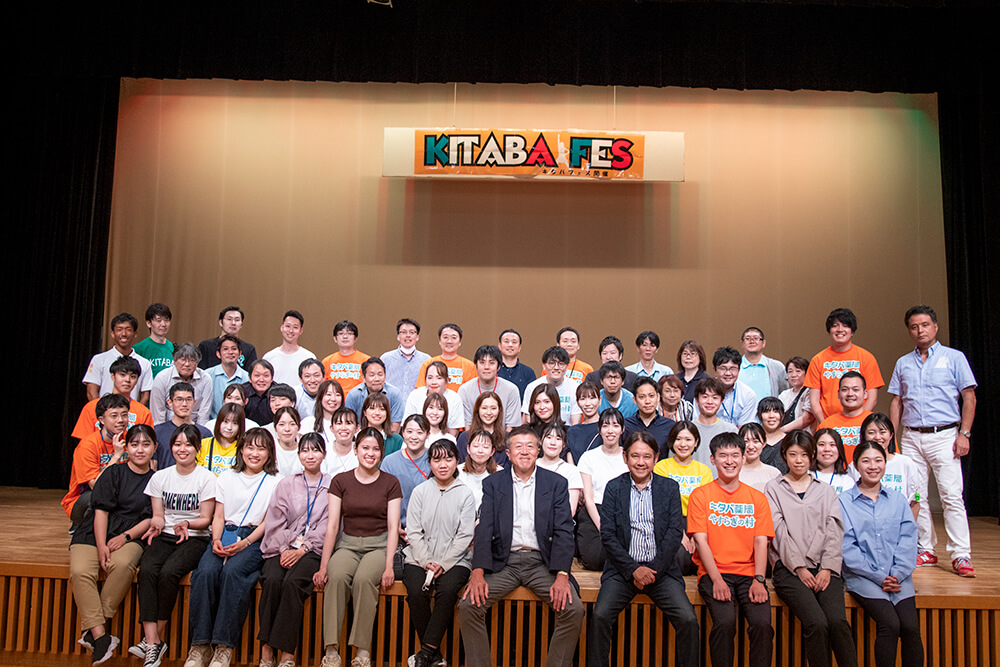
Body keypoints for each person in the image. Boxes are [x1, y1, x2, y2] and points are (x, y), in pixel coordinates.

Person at [457, 426, 584, 667]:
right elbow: (484, 528)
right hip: (504, 562)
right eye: (518, 446)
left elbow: (564, 531)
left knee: (573, 609)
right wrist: (478, 571)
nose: (524, 452)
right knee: (468, 605)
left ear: (538, 450)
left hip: (542, 563)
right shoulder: (494, 483)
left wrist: (562, 574)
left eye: (529, 446)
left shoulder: (556, 483)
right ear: (508, 452)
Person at [590, 431, 697, 667]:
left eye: (647, 456)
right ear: (625, 457)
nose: (641, 462)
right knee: (599, 616)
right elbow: (607, 535)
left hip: (661, 571)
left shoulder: (669, 487)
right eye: (635, 456)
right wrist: (634, 570)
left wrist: (652, 570)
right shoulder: (614, 487)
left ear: (656, 458)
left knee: (688, 620)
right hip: (622, 571)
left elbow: (673, 533)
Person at [889, 304, 978, 577]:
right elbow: (897, 401)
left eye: (925, 325)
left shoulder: (954, 358)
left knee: (951, 495)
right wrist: (891, 438)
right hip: (912, 436)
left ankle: (961, 554)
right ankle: (925, 549)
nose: (920, 331)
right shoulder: (903, 363)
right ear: (909, 331)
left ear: (935, 327)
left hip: (945, 435)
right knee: (917, 496)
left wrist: (964, 433)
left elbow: (969, 397)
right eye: (914, 327)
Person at [184, 428, 279, 667]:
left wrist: (245, 543)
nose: (254, 453)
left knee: (233, 572)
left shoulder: (276, 481)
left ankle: (224, 647)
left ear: (269, 453)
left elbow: (267, 522)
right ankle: (199, 646)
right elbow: (218, 515)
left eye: (261, 448)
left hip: (253, 538)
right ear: (241, 450)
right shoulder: (227, 477)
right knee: (205, 572)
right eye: (250, 447)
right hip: (224, 534)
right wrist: (216, 539)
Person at [764, 430, 857, 667]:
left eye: (804, 455)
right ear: (784, 455)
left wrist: (826, 568)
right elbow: (779, 532)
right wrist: (799, 568)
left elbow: (834, 530)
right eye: (793, 454)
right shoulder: (773, 488)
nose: (799, 460)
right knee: (816, 623)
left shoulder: (825, 490)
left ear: (812, 456)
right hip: (789, 570)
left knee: (837, 622)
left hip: (825, 568)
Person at [69, 424, 156, 665]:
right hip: (95, 530)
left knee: (123, 564)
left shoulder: (158, 480)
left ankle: (93, 631)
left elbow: (151, 518)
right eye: (134, 444)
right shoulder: (113, 472)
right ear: (126, 447)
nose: (140, 450)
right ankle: (101, 635)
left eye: (146, 444)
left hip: (132, 533)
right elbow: (101, 511)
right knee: (80, 571)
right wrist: (101, 545)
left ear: (155, 447)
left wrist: (125, 537)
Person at [314, 428, 401, 667]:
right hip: (348, 544)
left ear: (382, 452)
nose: (370, 453)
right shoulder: (340, 481)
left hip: (378, 546)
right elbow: (332, 526)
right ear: (355, 449)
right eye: (365, 448)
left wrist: (389, 566)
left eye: (375, 449)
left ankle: (362, 652)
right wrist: (323, 566)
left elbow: (393, 527)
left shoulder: (390, 482)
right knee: (336, 577)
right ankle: (331, 651)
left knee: (364, 580)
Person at [687, 431, 775, 667]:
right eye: (723, 455)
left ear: (743, 458)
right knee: (725, 623)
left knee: (762, 625)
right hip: (714, 572)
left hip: (750, 574)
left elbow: (761, 542)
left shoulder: (757, 498)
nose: (729, 461)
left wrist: (759, 579)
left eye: (735, 455)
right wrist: (716, 580)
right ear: (712, 459)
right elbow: (701, 541)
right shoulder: (700, 495)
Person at [133, 424, 216, 666]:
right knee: (147, 570)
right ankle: (153, 641)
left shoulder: (207, 478)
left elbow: (206, 519)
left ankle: (152, 642)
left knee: (169, 572)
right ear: (171, 447)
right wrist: (157, 523)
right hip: (166, 534)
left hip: (195, 536)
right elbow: (158, 514)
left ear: (197, 448)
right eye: (177, 444)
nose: (182, 449)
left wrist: (187, 524)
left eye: (188, 444)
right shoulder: (160, 477)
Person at [839, 441, 922, 667]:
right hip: (863, 577)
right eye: (866, 461)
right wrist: (879, 577)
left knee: (910, 627)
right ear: (856, 466)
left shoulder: (898, 499)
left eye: (878, 460)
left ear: (885, 463)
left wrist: (898, 573)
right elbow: (847, 546)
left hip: (898, 576)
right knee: (890, 624)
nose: (873, 466)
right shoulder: (843, 501)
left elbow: (908, 538)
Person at [256, 432, 330, 667]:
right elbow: (275, 521)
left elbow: (329, 526)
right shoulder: (286, 484)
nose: (310, 455)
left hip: (313, 550)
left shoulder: (332, 486)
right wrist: (285, 548)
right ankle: (266, 648)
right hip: (282, 547)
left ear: (324, 454)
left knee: (293, 582)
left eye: (315, 450)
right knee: (272, 579)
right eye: (305, 450)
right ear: (298, 455)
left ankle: (287, 653)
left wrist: (303, 548)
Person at [402, 440, 477, 667]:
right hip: (419, 557)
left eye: (448, 459)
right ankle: (433, 656)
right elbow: (413, 531)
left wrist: (443, 563)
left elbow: (465, 535)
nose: (443, 465)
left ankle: (425, 654)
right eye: (436, 459)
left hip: (455, 559)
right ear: (430, 463)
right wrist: (426, 561)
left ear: (457, 461)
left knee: (448, 590)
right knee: (416, 591)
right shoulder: (420, 491)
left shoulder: (465, 494)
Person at [62, 394, 133, 525]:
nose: (120, 420)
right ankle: (82, 530)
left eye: (124, 415)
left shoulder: (130, 440)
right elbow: (95, 485)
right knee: (98, 499)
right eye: (114, 416)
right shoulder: (88, 445)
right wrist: (116, 456)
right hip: (84, 499)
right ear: (101, 420)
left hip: (119, 495)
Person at [653, 421, 713, 575]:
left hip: (697, 522)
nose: (683, 444)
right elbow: (661, 506)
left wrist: (696, 535)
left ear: (696, 442)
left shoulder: (704, 471)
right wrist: (680, 533)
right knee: (681, 559)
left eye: (688, 439)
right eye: (678, 439)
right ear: (672, 441)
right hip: (670, 522)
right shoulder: (661, 467)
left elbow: (706, 507)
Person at [805, 307, 883, 423]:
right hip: (828, 425)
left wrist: (859, 424)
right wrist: (825, 425)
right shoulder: (818, 360)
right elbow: (814, 400)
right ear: (829, 330)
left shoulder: (867, 358)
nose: (840, 330)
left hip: (859, 425)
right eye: (835, 326)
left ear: (852, 331)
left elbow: (872, 398)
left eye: (845, 326)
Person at [577, 408, 629, 571]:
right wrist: (602, 527)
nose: (610, 430)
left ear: (622, 429)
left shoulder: (629, 456)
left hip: (623, 511)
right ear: (599, 430)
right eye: (606, 426)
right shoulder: (588, 457)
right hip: (595, 510)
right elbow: (588, 498)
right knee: (596, 560)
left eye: (615, 425)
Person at [73, 355, 154, 441]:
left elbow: (147, 443)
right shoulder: (91, 407)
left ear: (137, 380)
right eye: (122, 375)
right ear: (112, 376)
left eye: (133, 376)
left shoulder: (143, 412)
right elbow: (83, 443)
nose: (127, 380)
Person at [83, 312, 154, 403]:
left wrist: (136, 411)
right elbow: (91, 391)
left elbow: (145, 396)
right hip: (105, 410)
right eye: (119, 330)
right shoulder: (99, 359)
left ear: (135, 333)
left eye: (128, 329)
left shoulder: (144, 363)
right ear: (112, 333)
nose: (124, 334)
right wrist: (102, 410)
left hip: (132, 411)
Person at [863, 413, 920, 521]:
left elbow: (915, 502)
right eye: (871, 432)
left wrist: (908, 528)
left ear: (891, 435)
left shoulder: (905, 463)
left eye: (882, 432)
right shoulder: (856, 466)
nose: (877, 437)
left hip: (899, 524)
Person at [380, 414, 432, 528]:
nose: (414, 437)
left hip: (430, 526)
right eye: (409, 432)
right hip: (398, 526)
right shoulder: (389, 462)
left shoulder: (434, 459)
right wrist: (394, 525)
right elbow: (382, 498)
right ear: (403, 433)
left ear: (428, 434)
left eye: (419, 432)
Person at [457, 344, 522, 429]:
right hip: (474, 437)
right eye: (482, 362)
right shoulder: (464, 390)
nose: (486, 367)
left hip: (503, 436)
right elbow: (467, 426)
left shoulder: (511, 390)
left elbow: (511, 426)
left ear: (498, 366)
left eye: (491, 363)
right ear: (476, 365)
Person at [150, 343, 214, 424]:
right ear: (174, 360)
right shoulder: (162, 378)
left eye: (192, 360)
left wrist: (200, 431)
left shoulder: (205, 378)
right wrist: (163, 430)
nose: (187, 364)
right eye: (183, 359)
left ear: (197, 362)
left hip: (194, 427)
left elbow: (204, 414)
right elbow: (158, 414)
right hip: (168, 425)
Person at [152, 382, 211, 470]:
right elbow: (153, 465)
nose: (184, 404)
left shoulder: (205, 434)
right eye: (179, 399)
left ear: (194, 402)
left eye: (188, 399)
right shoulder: (158, 432)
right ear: (170, 403)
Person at [816, 370, 872, 460]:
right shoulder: (826, 425)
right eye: (845, 390)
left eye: (855, 389)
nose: (850, 394)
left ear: (865, 394)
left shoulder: (874, 423)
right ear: (838, 394)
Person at [522, 346, 582, 425]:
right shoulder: (532, 387)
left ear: (567, 367)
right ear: (544, 366)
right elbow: (529, 419)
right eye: (551, 363)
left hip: (566, 431)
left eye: (561, 364)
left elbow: (575, 424)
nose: (556, 367)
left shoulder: (575, 388)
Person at [691, 378, 739, 472]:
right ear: (697, 400)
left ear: (721, 401)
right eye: (705, 397)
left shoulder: (731, 430)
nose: (710, 401)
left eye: (715, 397)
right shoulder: (687, 430)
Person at [403, 361, 464, 433]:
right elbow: (407, 425)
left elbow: (453, 430)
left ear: (446, 380)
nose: (434, 382)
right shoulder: (415, 395)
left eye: (439, 378)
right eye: (430, 378)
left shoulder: (455, 398)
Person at [344, 357, 404, 431]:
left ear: (385, 375)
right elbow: (348, 423)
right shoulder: (354, 395)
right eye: (372, 375)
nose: (377, 379)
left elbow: (395, 425)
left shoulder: (394, 394)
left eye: (380, 374)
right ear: (364, 378)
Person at [380, 318, 431, 404]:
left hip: (417, 406)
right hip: (390, 406)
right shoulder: (385, 358)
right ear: (398, 336)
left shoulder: (426, 359)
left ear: (417, 337)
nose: (408, 335)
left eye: (412, 332)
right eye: (403, 332)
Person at [414, 323, 477, 392]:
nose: (449, 341)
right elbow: (420, 391)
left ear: (460, 342)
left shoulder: (469, 366)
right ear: (439, 341)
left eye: (454, 338)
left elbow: (472, 391)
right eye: (445, 337)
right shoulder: (428, 363)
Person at [536, 423, 583, 513]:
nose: (553, 443)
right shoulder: (531, 467)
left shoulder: (571, 471)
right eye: (549, 437)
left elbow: (571, 510)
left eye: (558, 439)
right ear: (540, 441)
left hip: (560, 520)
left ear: (564, 444)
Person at [262, 310, 315, 386]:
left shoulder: (308, 357)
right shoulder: (269, 357)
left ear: (301, 331)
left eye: (295, 327)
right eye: (288, 326)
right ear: (282, 328)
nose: (291, 330)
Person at [197, 306, 257, 372]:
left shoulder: (249, 349)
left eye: (237, 320)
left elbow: (251, 374)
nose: (233, 323)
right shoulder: (206, 346)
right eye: (229, 319)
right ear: (221, 322)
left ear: (241, 325)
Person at [456, 391, 508, 467]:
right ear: (478, 410)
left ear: (499, 410)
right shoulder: (465, 437)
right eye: (484, 408)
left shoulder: (507, 437)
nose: (489, 412)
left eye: (493, 408)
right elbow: (461, 467)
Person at [624, 376, 675, 451]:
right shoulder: (625, 425)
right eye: (642, 397)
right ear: (634, 400)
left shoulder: (670, 426)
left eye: (651, 396)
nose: (647, 401)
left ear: (658, 397)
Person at [712, 346, 758, 427]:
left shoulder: (748, 395)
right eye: (723, 368)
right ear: (714, 369)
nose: (728, 373)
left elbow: (745, 429)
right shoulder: (703, 392)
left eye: (733, 369)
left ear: (739, 370)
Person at [739, 327, 789, 401]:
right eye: (747, 338)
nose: (752, 341)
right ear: (742, 343)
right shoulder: (735, 367)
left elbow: (784, 394)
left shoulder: (777, 367)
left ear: (763, 343)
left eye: (756, 338)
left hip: (769, 408)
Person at [321, 320, 370, 395]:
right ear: (335, 338)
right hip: (333, 400)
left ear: (355, 338)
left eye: (349, 333)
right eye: (341, 333)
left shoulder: (366, 360)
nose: (345, 337)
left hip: (359, 400)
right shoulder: (327, 361)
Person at [196, 403, 246, 476]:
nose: (229, 427)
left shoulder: (244, 448)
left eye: (235, 423)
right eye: (225, 421)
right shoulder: (203, 444)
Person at [206, 335, 250, 418]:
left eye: (234, 349)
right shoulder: (208, 375)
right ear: (218, 354)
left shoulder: (247, 378)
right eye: (225, 349)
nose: (230, 352)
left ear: (240, 354)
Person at [457, 430, 501, 510]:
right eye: (476, 446)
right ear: (468, 449)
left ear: (492, 451)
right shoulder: (457, 472)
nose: (480, 451)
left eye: (485, 447)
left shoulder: (500, 473)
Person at [133, 303, 174, 379]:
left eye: (166, 320)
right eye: (159, 320)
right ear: (149, 323)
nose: (163, 324)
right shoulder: (138, 349)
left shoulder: (174, 348)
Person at [566, 381, 602, 464]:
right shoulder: (572, 431)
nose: (587, 403)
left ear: (599, 400)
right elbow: (569, 455)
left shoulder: (607, 428)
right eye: (582, 399)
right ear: (577, 402)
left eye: (592, 398)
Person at [300, 380, 345, 445]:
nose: (333, 399)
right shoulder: (308, 423)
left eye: (337, 395)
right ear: (320, 397)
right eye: (328, 394)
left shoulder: (348, 423)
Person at [812, 428, 857, 494]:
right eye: (821, 444)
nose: (827, 449)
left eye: (832, 445)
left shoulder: (847, 481)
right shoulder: (805, 476)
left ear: (839, 449)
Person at [738, 423, 781, 492]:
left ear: (764, 443)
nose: (751, 446)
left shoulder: (773, 473)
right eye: (746, 441)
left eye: (756, 441)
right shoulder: (733, 472)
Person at [497, 328, 536, 399]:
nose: (510, 345)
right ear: (499, 346)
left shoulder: (528, 372)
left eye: (514, 342)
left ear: (519, 348)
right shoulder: (493, 370)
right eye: (506, 341)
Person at [360, 392, 403, 456]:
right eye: (372, 408)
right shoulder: (356, 437)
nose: (377, 413)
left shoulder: (396, 440)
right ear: (365, 412)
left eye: (382, 409)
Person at [778, 356, 815, 433]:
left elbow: (807, 419)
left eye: (798, 371)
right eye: (790, 371)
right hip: (786, 436)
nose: (793, 375)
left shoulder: (810, 392)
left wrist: (780, 431)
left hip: (804, 436)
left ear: (806, 373)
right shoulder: (784, 395)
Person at [322, 408, 360, 477]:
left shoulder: (361, 451)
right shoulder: (324, 450)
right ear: (332, 428)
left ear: (357, 428)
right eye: (339, 423)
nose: (343, 428)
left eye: (348, 423)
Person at [240, 359, 276, 426]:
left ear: (272, 378)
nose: (261, 380)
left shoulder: (279, 393)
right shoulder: (241, 392)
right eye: (257, 375)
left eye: (266, 375)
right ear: (249, 378)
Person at [757, 397, 789, 472]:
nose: (771, 416)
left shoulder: (789, 441)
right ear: (759, 415)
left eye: (776, 411)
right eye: (766, 411)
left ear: (782, 415)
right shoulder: (753, 442)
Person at [271, 406, 302, 478]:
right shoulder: (270, 448)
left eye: (292, 424)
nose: (287, 429)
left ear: (299, 427)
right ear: (275, 428)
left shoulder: (304, 448)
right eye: (282, 424)